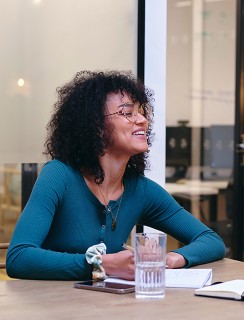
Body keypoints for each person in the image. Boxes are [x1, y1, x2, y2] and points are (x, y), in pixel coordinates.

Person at [6, 70, 226, 280]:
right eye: (128, 113)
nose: (142, 120)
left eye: (141, 112)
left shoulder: (141, 190)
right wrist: (102, 264)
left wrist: (172, 259)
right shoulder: (59, 175)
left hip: (109, 306)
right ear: (95, 126)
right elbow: (19, 257)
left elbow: (210, 240)